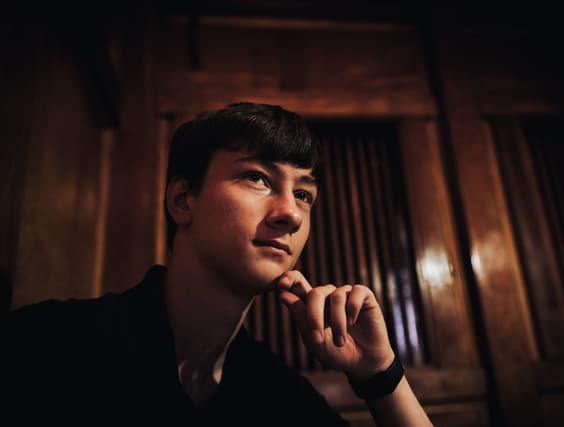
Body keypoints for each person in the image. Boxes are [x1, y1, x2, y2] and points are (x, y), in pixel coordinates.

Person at [0, 102, 432, 426]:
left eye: (303, 193)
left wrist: (379, 374)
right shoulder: (50, 345)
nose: (293, 214)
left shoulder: (273, 392)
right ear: (183, 201)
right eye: (257, 178)